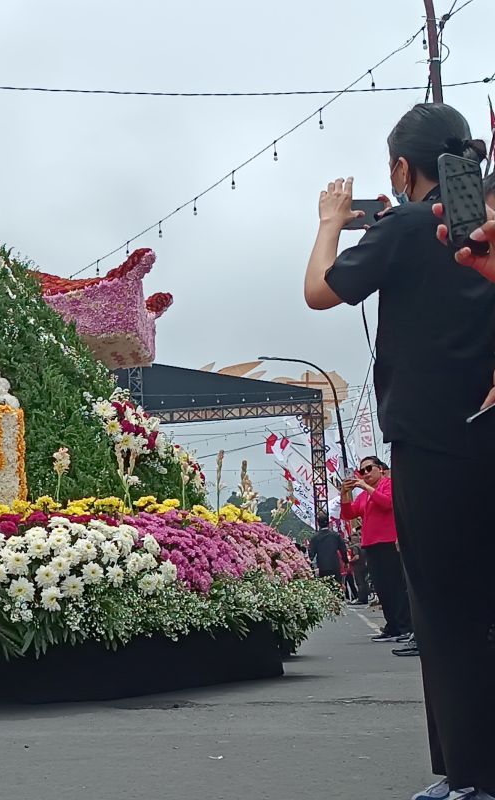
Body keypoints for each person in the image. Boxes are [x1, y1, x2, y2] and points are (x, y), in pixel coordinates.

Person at [304, 102, 495, 800]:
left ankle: (469, 776)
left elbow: (321, 290)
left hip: (434, 439)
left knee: (448, 610)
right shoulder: (485, 219)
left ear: (401, 168)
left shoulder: (413, 224)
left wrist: (330, 222)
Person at [339, 457, 412, 642]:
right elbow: (349, 514)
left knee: (396, 586)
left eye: (369, 469)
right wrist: (344, 494)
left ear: (380, 469)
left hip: (389, 543)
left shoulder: (388, 484)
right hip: (371, 546)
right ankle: (393, 626)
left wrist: (365, 487)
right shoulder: (364, 496)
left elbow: (387, 503)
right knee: (382, 588)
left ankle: (404, 626)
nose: (365, 474)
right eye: (362, 471)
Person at [306, 513, 347, 584]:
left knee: (327, 588)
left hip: (322, 567)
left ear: (318, 523)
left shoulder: (315, 538)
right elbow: (343, 549)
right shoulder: (336, 535)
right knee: (338, 588)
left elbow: (311, 554)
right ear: (328, 522)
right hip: (335, 566)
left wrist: (310, 567)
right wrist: (346, 561)